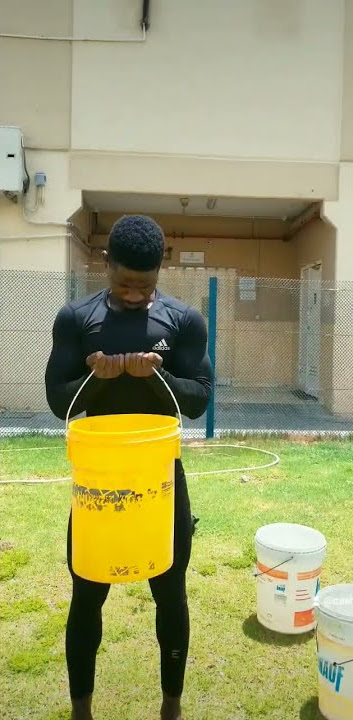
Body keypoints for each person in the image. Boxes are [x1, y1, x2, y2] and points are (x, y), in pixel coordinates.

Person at [45, 215, 213, 720]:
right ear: (106, 265)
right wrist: (97, 378)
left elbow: (200, 399)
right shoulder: (77, 318)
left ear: (160, 269)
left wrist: (153, 375)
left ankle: (171, 706)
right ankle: (82, 710)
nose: (135, 294)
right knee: (87, 593)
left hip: (160, 480)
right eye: (124, 283)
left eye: (145, 285)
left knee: (170, 592)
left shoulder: (184, 321)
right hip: (99, 480)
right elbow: (59, 402)